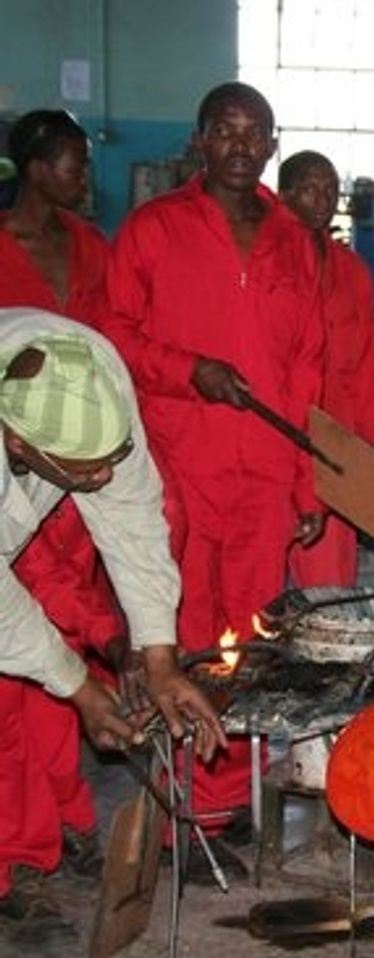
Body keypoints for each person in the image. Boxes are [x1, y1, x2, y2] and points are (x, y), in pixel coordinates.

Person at [101, 81, 324, 853]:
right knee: (182, 640)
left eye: (254, 133)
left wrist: (306, 483)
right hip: (179, 471)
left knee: (252, 646)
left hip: (264, 475)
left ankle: (229, 804)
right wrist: (187, 368)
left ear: (271, 144)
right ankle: (180, 814)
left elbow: (305, 372)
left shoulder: (293, 240)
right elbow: (112, 335)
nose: (240, 145)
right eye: (224, 130)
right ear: (199, 140)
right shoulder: (154, 229)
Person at [0, 308, 224, 947]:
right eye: (85, 469)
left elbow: (131, 517)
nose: (101, 477)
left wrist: (160, 658)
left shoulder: (93, 371)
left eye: (109, 458)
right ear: (19, 444)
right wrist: (79, 687)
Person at [0, 109, 129, 910]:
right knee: (17, 678)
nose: (86, 177)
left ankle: (62, 820)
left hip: (70, 481)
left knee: (65, 659)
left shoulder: (91, 247)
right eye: (75, 164)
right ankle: (15, 854)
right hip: (16, 473)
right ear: (36, 167)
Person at [279, 150, 374, 587]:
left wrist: (372, 437)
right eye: (309, 189)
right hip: (280, 429)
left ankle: (326, 630)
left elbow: (365, 359)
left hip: (336, 434)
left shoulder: (351, 269)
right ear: (284, 195)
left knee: (330, 575)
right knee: (258, 572)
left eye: (330, 190)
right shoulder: (268, 261)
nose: (322, 199)